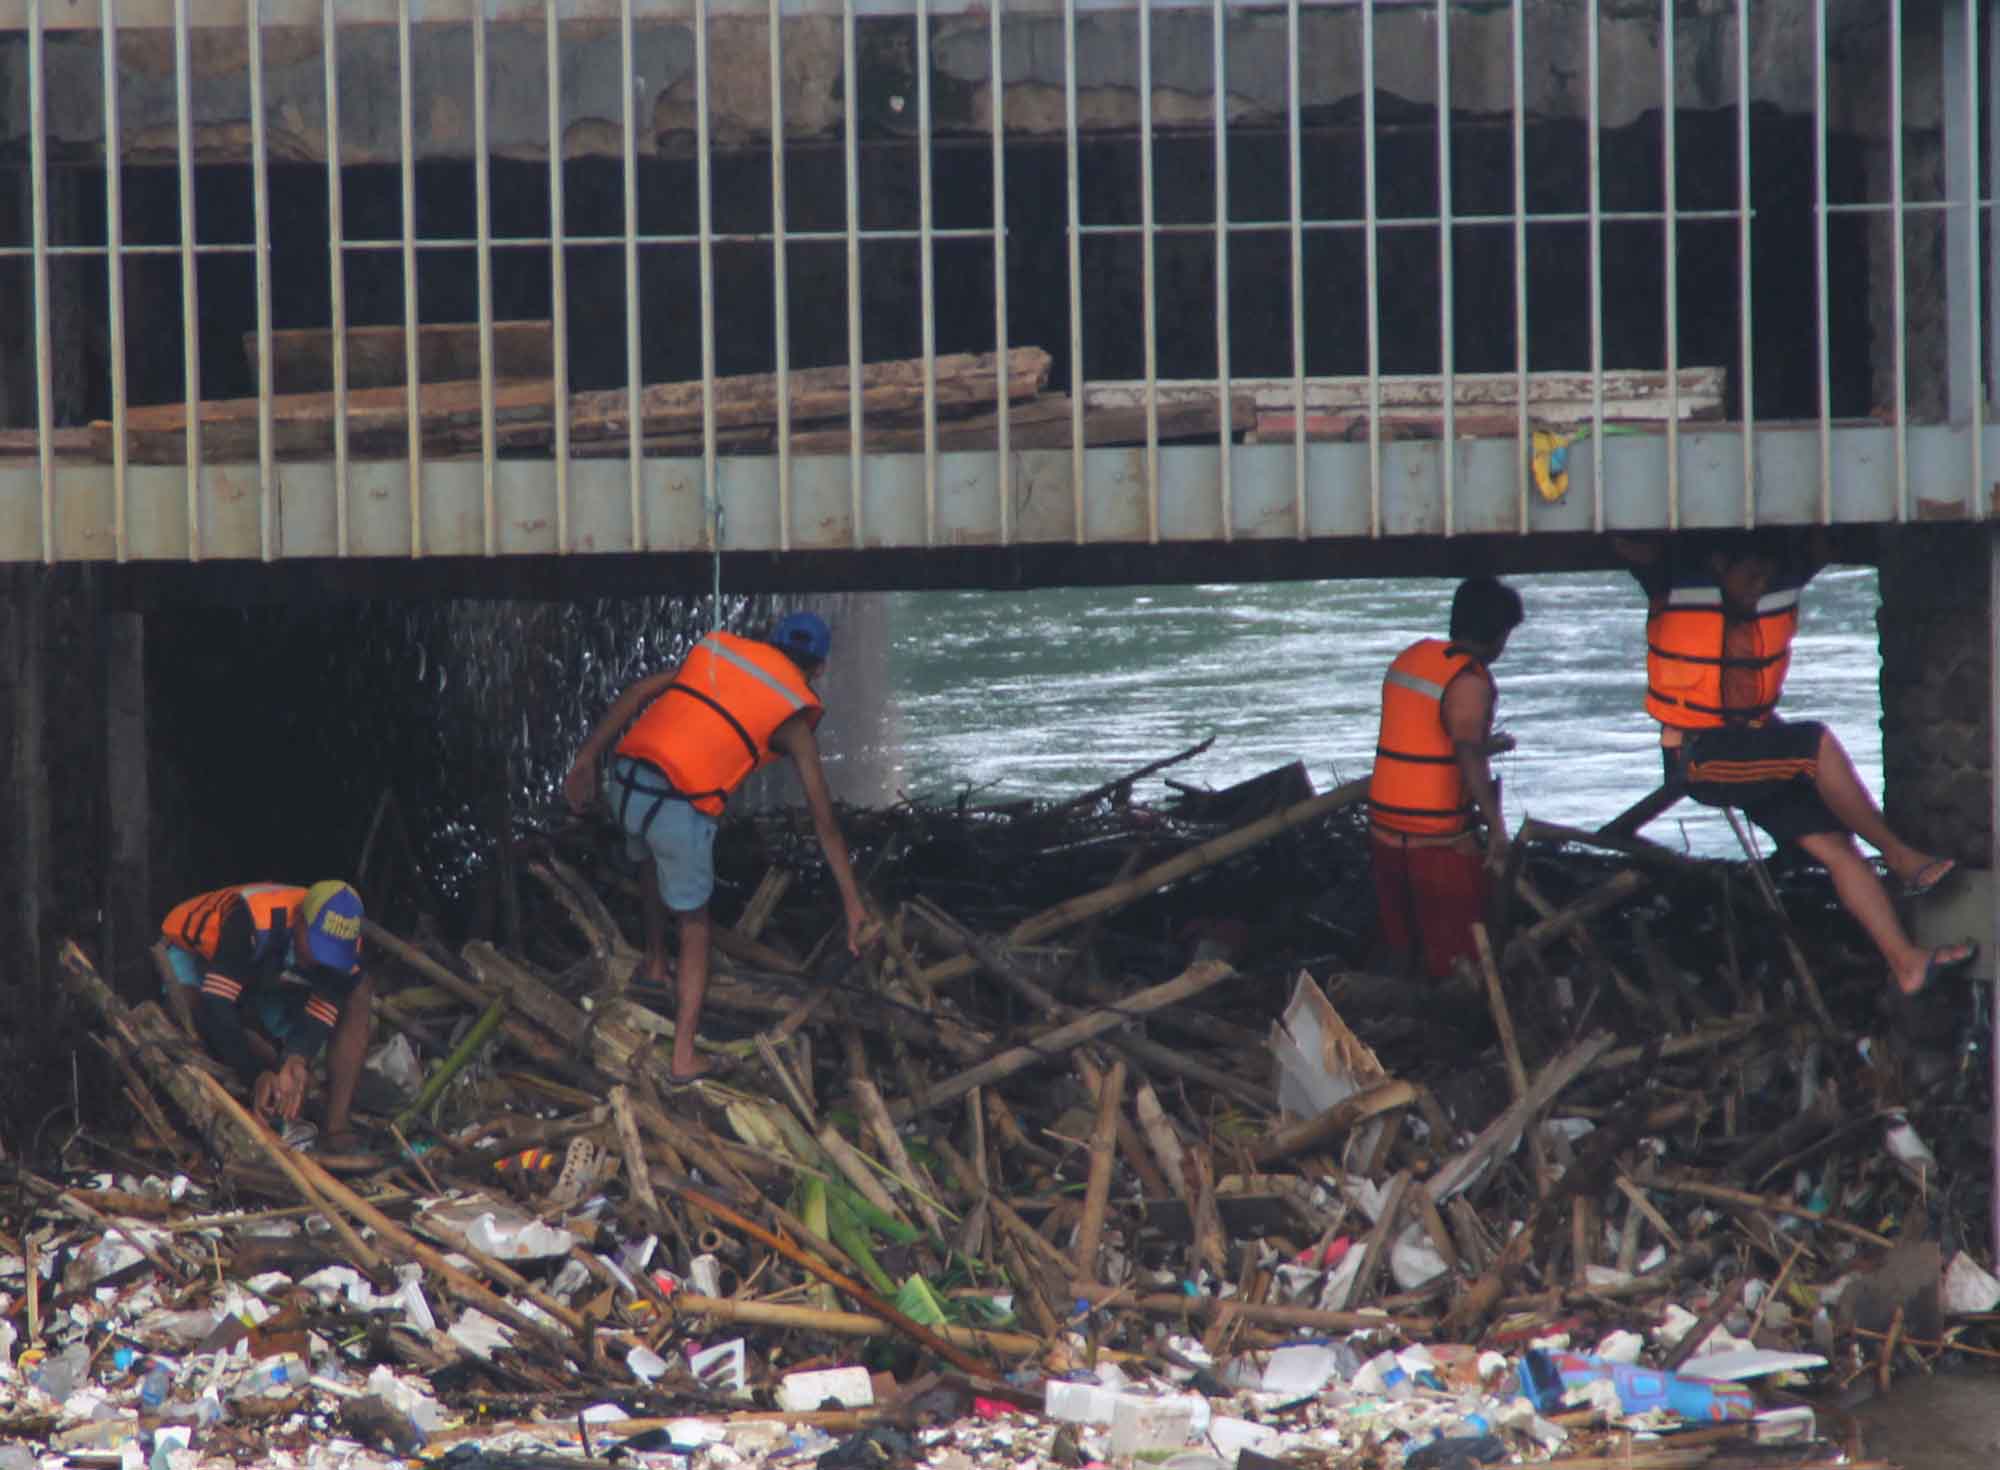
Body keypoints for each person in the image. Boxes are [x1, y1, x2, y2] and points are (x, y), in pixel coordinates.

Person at [1617, 531, 1974, 997]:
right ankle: (1900, 856)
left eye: (1766, 576)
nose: (1758, 585)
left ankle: (1906, 964)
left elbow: (1825, 540)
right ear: (1720, 564)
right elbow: (1625, 542)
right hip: (1701, 757)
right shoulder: (1676, 580)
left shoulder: (1775, 584)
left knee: (1837, 847)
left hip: (1756, 751)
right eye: (1750, 575)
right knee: (1813, 743)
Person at [562, 611, 876, 1084]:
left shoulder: (719, 656)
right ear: (820, 668)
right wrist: (853, 904)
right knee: (695, 926)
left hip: (626, 783)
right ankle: (684, 1056)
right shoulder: (792, 714)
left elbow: (637, 692)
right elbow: (824, 821)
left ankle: (654, 962)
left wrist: (585, 758)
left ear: (768, 642)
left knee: (648, 858)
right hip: (676, 807)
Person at [1368, 576, 1524, 979]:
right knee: (1461, 961)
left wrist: (1488, 745)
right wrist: (1497, 828)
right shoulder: (1469, 682)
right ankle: (1458, 1023)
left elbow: (1425, 740)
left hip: (1384, 832)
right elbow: (1467, 756)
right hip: (1437, 844)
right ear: (1497, 635)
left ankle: (1402, 1007)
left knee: (1403, 948)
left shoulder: (1413, 658)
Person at [157, 880, 374, 1143]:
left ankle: (336, 1128)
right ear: (300, 921)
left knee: (358, 991)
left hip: (265, 971)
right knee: (194, 1020)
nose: (322, 960)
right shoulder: (253, 919)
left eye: (332, 953)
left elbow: (321, 1012)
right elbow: (215, 1006)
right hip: (197, 952)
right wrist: (256, 1075)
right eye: (318, 946)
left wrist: (296, 1059)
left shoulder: (347, 952)